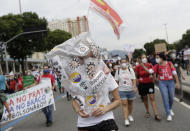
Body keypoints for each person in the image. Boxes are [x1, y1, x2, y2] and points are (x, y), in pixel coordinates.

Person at [153, 52, 180, 121]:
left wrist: (177, 82)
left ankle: (170, 108)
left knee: (171, 98)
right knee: (165, 98)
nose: (156, 59)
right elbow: (151, 71)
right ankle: (168, 114)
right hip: (162, 83)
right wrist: (144, 67)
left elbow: (174, 73)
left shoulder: (170, 63)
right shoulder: (157, 65)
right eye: (156, 58)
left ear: (161, 57)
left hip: (171, 82)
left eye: (157, 58)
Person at [136, 54, 161, 121]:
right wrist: (137, 84)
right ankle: (147, 111)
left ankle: (156, 114)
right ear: (141, 59)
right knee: (145, 98)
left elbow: (153, 72)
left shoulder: (150, 65)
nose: (144, 58)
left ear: (146, 59)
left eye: (145, 57)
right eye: (142, 57)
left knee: (152, 98)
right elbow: (137, 75)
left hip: (150, 84)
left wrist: (154, 79)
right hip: (142, 84)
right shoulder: (138, 66)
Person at [115, 58, 137, 126]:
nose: (123, 64)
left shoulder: (130, 70)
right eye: (122, 62)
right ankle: (126, 119)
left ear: (127, 63)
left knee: (130, 104)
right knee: (124, 104)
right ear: (120, 63)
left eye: (125, 62)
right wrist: (116, 90)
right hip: (122, 90)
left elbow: (134, 79)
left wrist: (135, 87)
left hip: (130, 90)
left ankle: (130, 115)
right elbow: (116, 81)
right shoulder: (118, 71)